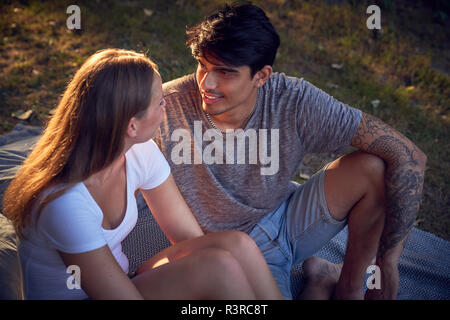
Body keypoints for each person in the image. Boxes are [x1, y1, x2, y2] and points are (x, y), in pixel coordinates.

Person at [154, 3, 427, 300]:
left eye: (225, 72)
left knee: (373, 168)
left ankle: (348, 287)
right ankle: (320, 280)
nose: (207, 83)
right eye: (203, 66)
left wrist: (387, 263)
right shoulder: (166, 108)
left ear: (261, 76)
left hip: (286, 224)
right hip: (222, 254)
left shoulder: (294, 99)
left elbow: (408, 155)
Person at [2, 48, 282, 300]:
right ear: (131, 126)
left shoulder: (139, 152)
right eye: (159, 102)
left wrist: (189, 275)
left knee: (237, 246)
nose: (166, 107)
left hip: (120, 282)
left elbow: (189, 240)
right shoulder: (64, 202)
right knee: (219, 269)